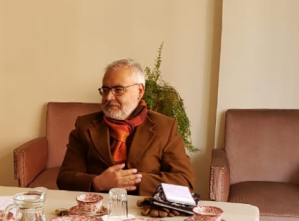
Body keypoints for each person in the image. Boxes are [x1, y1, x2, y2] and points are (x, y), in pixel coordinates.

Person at [56, 59, 195, 196]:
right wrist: (98, 182)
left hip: (142, 210)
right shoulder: (85, 125)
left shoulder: (164, 128)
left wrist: (133, 181)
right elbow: (65, 178)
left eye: (118, 89)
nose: (109, 97)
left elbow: (185, 182)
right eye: (105, 89)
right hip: (98, 208)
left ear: (140, 91)